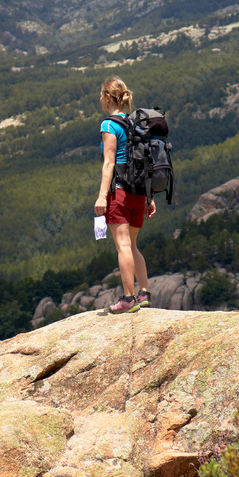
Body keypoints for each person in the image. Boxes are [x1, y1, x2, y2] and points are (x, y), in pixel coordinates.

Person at [94, 76, 155, 314]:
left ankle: (129, 299)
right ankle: (145, 293)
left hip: (119, 192)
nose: (100, 99)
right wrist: (150, 197)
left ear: (108, 97)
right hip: (139, 193)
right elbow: (145, 163)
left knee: (122, 246)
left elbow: (109, 164)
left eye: (101, 95)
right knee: (133, 244)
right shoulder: (135, 125)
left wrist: (101, 197)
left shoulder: (109, 125)